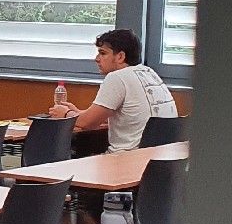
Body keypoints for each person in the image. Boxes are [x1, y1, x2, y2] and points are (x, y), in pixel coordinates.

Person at [49, 28, 179, 152]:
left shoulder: (117, 77)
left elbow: (89, 123)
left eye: (103, 53)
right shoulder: (149, 73)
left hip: (128, 159)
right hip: (160, 159)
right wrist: (77, 112)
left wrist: (66, 114)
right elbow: (126, 116)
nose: (97, 59)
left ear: (120, 56)